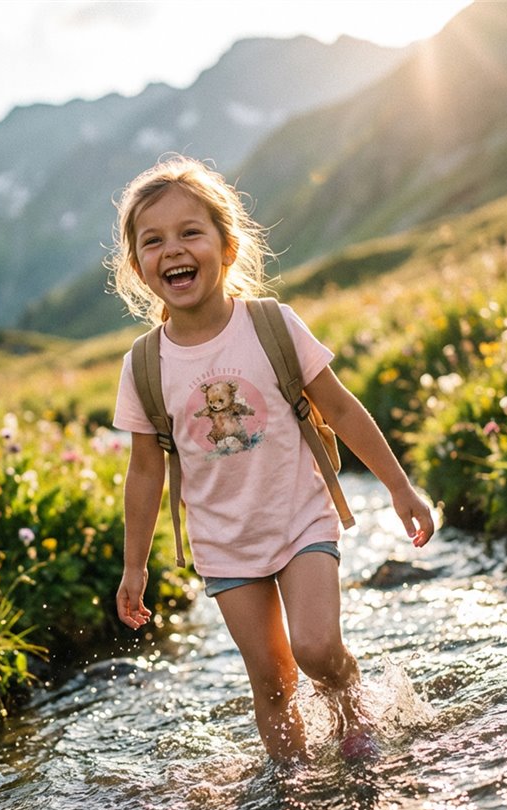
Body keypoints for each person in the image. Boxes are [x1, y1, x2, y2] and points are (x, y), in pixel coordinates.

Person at [110, 155, 435, 763]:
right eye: (153, 241)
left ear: (226, 247)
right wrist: (135, 567)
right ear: (139, 268)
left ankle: (350, 708)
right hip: (224, 543)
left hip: (300, 519)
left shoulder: (271, 325)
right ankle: (292, 784)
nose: (173, 249)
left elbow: (339, 408)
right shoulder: (144, 364)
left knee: (314, 650)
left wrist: (399, 487)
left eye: (190, 232)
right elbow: (145, 470)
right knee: (273, 682)